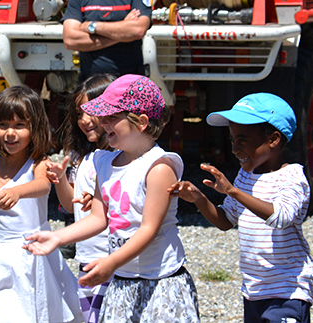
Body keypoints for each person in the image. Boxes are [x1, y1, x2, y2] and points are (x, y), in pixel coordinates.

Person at [24, 74, 199, 322]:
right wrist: (57, 237)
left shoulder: (159, 167)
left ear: (141, 122)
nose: (104, 123)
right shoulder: (104, 162)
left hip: (159, 280)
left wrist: (111, 262)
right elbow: (98, 218)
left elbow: (148, 229)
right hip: (122, 280)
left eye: (112, 117)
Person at [168, 93, 313, 323]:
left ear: (274, 139)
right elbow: (226, 220)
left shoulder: (292, 177)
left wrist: (233, 191)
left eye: (243, 140)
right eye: (232, 140)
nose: (235, 149)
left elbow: (281, 217)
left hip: (287, 291)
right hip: (254, 291)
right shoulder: (246, 176)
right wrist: (198, 198)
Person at [0, 86, 82, 323]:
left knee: (33, 312)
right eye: (3, 125)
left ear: (35, 127)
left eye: (20, 125)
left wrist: (16, 191)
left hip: (32, 253)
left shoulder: (38, 162)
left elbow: (42, 185)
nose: (10, 133)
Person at [47, 74, 116, 323]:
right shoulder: (81, 156)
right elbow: (69, 205)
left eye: (91, 111)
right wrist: (60, 180)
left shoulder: (121, 156)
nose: (84, 120)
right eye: (79, 113)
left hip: (114, 260)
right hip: (86, 258)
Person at [62, 0, 152, 80]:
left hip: (129, 84)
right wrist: (122, 34)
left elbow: (138, 30)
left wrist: (93, 26)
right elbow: (70, 40)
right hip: (92, 85)